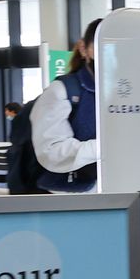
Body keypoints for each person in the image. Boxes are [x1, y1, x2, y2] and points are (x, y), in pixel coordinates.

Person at [30, 19, 101, 192]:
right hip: (72, 196)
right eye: (101, 45)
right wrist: (105, 148)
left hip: (123, 193)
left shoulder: (129, 89)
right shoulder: (63, 90)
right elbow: (51, 151)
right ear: (84, 49)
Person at [3, 99, 43, 195]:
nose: (7, 115)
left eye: (7, 112)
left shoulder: (24, 117)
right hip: (37, 179)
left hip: (24, 182)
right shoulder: (35, 109)